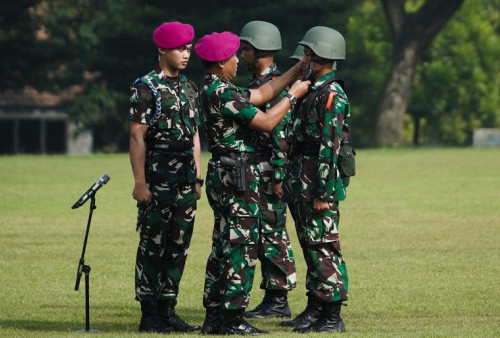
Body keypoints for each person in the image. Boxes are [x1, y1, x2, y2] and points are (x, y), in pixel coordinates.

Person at [194, 31, 310, 335]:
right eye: (233, 56)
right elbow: (268, 120)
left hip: (225, 173)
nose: (236, 61)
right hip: (237, 178)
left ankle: (214, 318)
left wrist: (297, 70)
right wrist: (293, 96)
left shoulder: (215, 87)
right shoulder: (223, 93)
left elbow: (262, 93)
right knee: (240, 247)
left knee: (221, 245)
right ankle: (232, 320)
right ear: (220, 62)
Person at [128, 21, 202, 333]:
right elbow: (136, 136)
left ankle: (168, 309)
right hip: (157, 179)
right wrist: (140, 183)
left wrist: (197, 177)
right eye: (179, 49)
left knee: (178, 245)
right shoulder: (146, 87)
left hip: (185, 179)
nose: (185, 54)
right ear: (162, 49)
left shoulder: (188, 86)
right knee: (152, 244)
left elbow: (195, 134)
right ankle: (149, 314)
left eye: (188, 49)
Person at [281, 26, 352, 333]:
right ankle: (315, 308)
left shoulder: (332, 96)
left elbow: (330, 148)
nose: (304, 58)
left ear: (323, 55)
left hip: (317, 186)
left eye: (308, 53)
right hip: (302, 181)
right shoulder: (313, 89)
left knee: (325, 246)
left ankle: (332, 316)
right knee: (311, 245)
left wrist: (323, 192)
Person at [238, 20, 296, 320]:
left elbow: (281, 135)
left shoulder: (272, 86)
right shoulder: (260, 85)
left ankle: (277, 299)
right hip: (256, 170)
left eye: (246, 49)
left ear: (260, 50)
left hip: (269, 171)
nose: (241, 54)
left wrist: (278, 175)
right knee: (262, 233)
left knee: (272, 234)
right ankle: (272, 297)